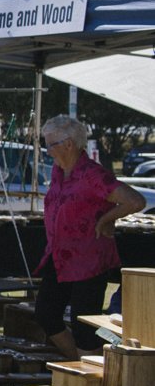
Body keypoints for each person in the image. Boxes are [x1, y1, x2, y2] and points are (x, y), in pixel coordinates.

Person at [35, 114, 145, 359]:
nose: (47, 150)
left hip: (88, 259)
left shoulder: (92, 174)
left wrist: (107, 219)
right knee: (46, 312)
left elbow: (135, 201)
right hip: (60, 256)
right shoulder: (57, 171)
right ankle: (81, 368)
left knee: (84, 323)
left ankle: (93, 379)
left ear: (69, 144)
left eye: (50, 144)